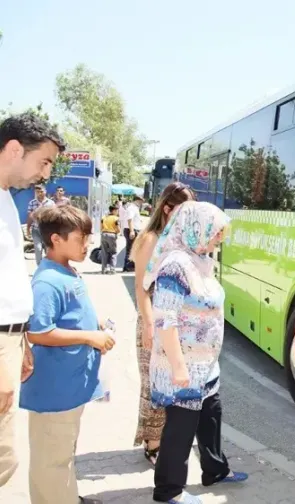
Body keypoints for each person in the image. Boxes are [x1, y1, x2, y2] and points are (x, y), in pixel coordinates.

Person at [144, 201, 247, 504]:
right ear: (196, 229)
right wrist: (178, 367)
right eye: (215, 233)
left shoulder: (199, 260)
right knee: (181, 428)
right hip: (183, 365)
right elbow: (165, 320)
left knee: (210, 415)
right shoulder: (175, 265)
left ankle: (215, 470)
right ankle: (169, 491)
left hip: (205, 365)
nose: (219, 239)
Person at [21, 204, 114, 504]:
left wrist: (95, 323)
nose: (87, 244)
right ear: (56, 239)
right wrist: (90, 336)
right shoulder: (48, 281)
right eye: (81, 238)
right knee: (52, 461)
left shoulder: (66, 271)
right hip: (55, 390)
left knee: (62, 453)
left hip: (68, 386)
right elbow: (38, 332)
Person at [0, 112, 65, 488]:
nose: (45, 174)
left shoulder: (7, 198)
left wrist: (19, 337)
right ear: (14, 149)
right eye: (43, 161)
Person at [131, 182, 194, 464]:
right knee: (153, 384)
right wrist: (148, 324)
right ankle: (153, 444)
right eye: (184, 209)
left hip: (176, 323)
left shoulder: (182, 240)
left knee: (172, 384)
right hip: (153, 320)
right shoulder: (151, 239)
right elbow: (141, 288)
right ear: (167, 209)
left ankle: (165, 440)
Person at [26, 184, 55, 265]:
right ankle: (39, 266)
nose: (40, 193)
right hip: (36, 229)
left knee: (47, 249)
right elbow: (30, 216)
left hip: (47, 230)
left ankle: (48, 265)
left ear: (45, 191)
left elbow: (54, 216)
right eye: (38, 192)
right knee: (38, 248)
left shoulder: (51, 203)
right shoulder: (32, 203)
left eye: (41, 191)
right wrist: (28, 228)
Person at [123, 195, 144, 271]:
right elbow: (130, 219)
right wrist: (132, 231)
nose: (141, 203)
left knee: (133, 248)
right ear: (137, 200)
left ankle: (130, 266)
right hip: (131, 230)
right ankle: (128, 266)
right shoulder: (132, 208)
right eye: (141, 201)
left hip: (133, 230)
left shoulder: (134, 208)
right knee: (130, 249)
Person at [100, 204, 120, 274]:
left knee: (104, 252)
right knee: (113, 252)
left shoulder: (104, 218)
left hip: (103, 234)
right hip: (112, 235)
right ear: (114, 211)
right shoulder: (116, 218)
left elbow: (101, 228)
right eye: (117, 211)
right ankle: (112, 269)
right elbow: (118, 229)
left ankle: (104, 269)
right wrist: (116, 232)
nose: (117, 212)